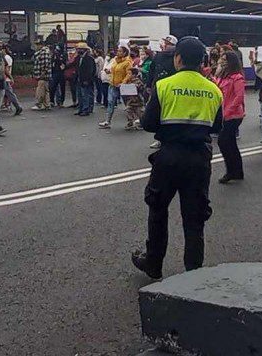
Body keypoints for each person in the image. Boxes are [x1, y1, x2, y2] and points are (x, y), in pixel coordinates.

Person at [131, 36, 223, 279]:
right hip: (199, 159)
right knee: (195, 217)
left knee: (158, 209)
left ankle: (153, 263)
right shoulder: (214, 90)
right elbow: (217, 127)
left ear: (178, 58)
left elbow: (149, 123)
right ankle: (193, 271)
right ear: (203, 60)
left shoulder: (164, 86)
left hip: (169, 157)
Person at [215, 51, 246, 184]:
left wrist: (227, 112)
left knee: (224, 142)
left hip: (233, 115)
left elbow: (239, 97)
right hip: (224, 113)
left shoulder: (237, 77)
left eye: (224, 59)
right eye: (221, 59)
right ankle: (237, 171)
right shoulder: (223, 76)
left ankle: (231, 171)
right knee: (231, 143)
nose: (222, 61)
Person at [99, 45, 131, 129]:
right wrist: (109, 71)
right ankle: (107, 121)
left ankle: (131, 121)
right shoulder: (115, 61)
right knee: (110, 102)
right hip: (113, 84)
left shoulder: (127, 62)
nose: (118, 52)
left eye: (120, 51)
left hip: (123, 86)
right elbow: (114, 70)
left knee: (127, 104)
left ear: (125, 53)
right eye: (118, 51)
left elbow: (129, 74)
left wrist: (123, 82)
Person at [75, 43, 96, 116]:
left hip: (85, 80)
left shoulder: (89, 58)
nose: (78, 50)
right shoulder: (78, 58)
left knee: (85, 95)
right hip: (79, 79)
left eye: (80, 49)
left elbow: (90, 71)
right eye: (78, 49)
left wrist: (87, 80)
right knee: (80, 95)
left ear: (85, 50)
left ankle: (86, 109)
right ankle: (80, 109)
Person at [2, 45, 23, 116]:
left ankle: (17, 106)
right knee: (5, 93)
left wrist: (10, 78)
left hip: (5, 78)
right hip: (4, 78)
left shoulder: (6, 58)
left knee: (9, 94)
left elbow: (6, 70)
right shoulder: (4, 57)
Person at [31, 39, 52, 111]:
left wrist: (42, 74)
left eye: (37, 45)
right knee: (45, 90)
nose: (36, 46)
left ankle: (40, 104)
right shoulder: (43, 52)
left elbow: (45, 64)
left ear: (41, 45)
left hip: (42, 75)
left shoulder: (44, 52)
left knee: (40, 90)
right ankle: (46, 104)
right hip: (43, 75)